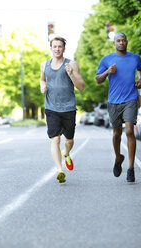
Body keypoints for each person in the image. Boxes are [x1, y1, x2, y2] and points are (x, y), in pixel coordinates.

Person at [95, 32, 141, 182]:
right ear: (114, 43)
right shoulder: (107, 59)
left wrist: (140, 79)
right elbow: (98, 79)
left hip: (130, 99)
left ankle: (131, 169)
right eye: (118, 40)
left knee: (129, 131)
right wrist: (107, 72)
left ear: (127, 42)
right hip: (114, 101)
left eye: (123, 40)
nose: (121, 42)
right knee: (117, 134)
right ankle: (118, 158)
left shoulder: (135, 57)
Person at [40, 37, 85, 183]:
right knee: (55, 139)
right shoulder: (44, 65)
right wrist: (42, 86)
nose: (57, 49)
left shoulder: (71, 64)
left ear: (64, 48)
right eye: (55, 46)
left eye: (60, 46)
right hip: (51, 108)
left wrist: (71, 74)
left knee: (69, 140)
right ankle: (60, 170)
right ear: (51, 48)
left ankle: (66, 154)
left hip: (68, 108)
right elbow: (42, 79)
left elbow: (81, 87)